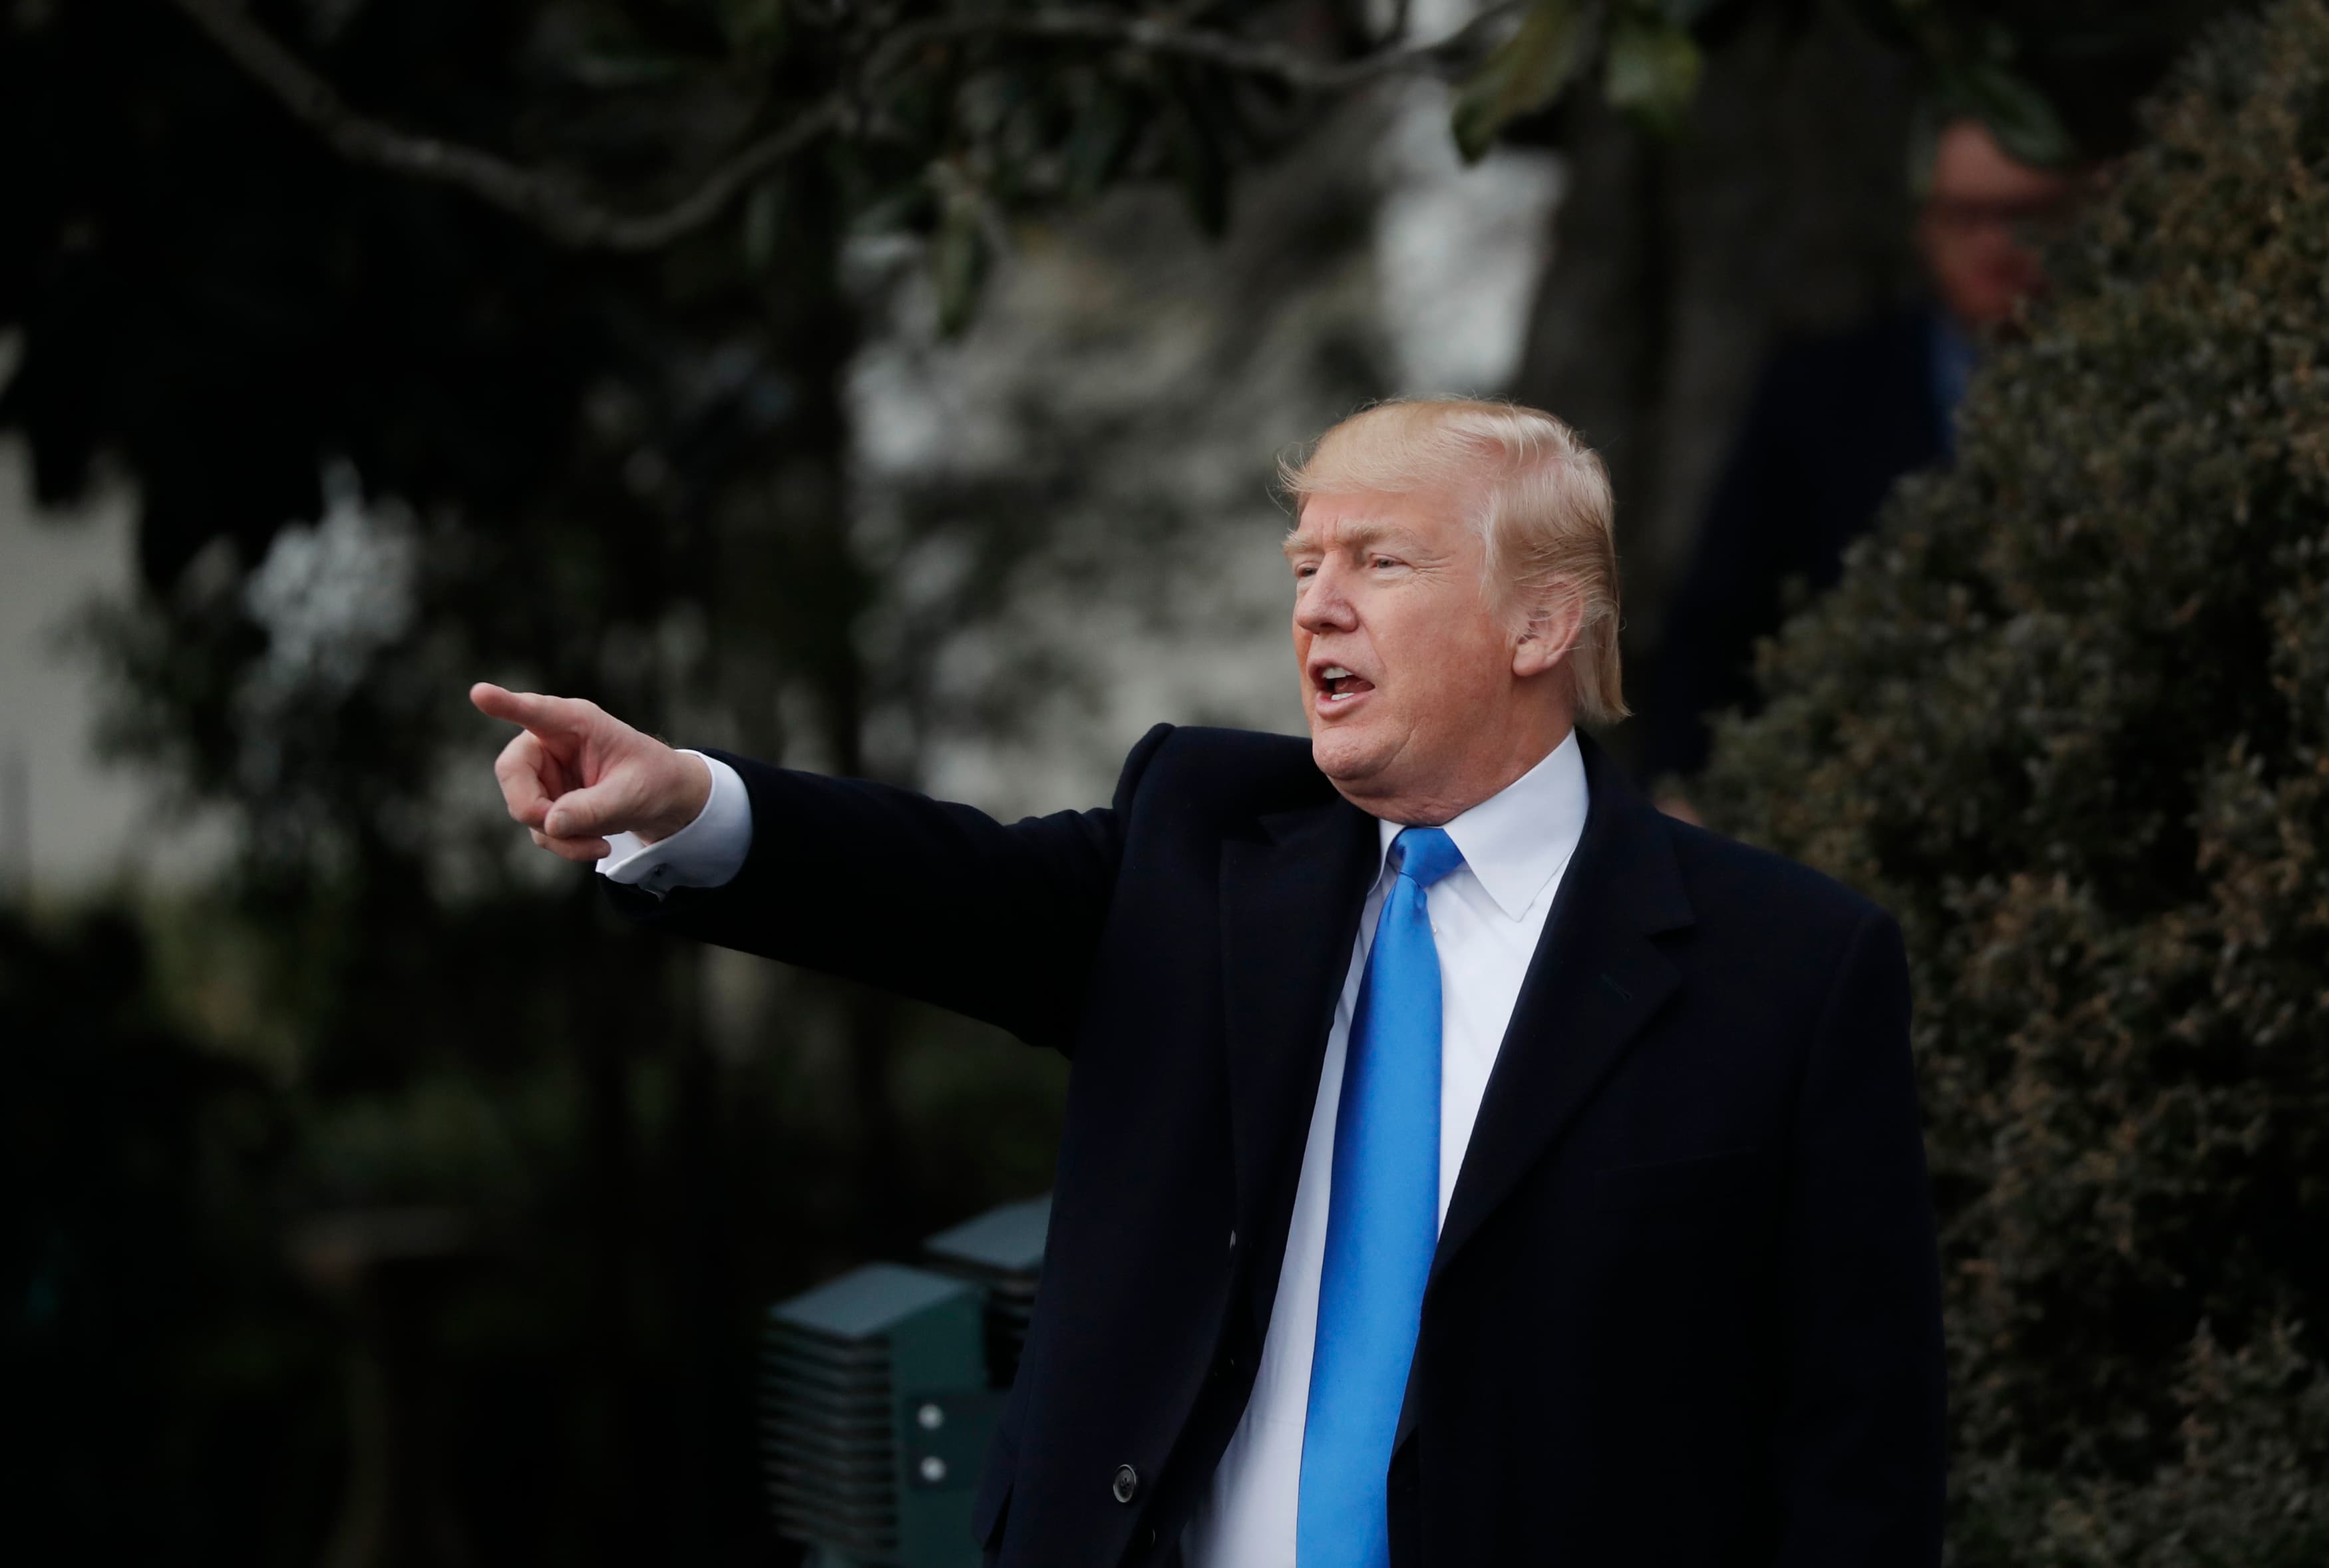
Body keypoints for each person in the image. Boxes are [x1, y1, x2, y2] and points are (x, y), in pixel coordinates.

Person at [475, 399, 1944, 1567]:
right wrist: (689, 805)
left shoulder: (1786, 966)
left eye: (1380, 562)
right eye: (1304, 567)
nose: (1317, 608)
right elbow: (943, 888)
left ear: (1540, 624)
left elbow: (1856, 1446)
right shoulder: (1203, 849)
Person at [1645, 117, 2079, 804]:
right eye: (1967, 216)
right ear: (1925, 226)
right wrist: (1678, 799)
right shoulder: (1821, 393)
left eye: (2025, 216)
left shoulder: (2131, 392)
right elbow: (1718, 623)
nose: (1997, 244)